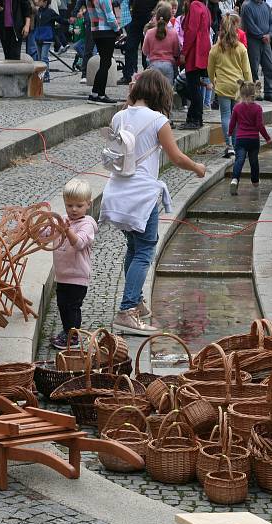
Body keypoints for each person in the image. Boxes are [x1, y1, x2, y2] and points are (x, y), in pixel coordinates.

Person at [101, 69, 206, 335]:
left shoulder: (118, 116)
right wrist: (197, 168)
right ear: (160, 93)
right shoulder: (158, 121)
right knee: (146, 250)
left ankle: (135, 301)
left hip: (118, 192)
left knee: (133, 248)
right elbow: (177, 157)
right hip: (142, 196)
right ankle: (127, 310)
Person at [49, 178, 98, 349]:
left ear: (88, 204)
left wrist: (67, 230)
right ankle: (67, 331)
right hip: (62, 274)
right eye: (69, 205)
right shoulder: (62, 220)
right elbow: (45, 235)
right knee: (62, 305)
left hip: (77, 276)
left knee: (72, 307)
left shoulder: (87, 224)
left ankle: (74, 336)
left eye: (78, 205)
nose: (74, 210)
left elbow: (79, 244)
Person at [208, 13, 251, 158]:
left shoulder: (215, 49)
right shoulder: (241, 48)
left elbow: (210, 70)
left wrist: (214, 81)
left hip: (223, 86)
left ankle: (229, 145)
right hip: (238, 86)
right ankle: (236, 143)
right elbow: (247, 70)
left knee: (226, 116)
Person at [227, 79, 270, 194]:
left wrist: (230, 133)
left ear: (241, 93)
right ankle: (255, 181)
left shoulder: (236, 107)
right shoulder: (257, 108)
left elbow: (232, 122)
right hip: (253, 140)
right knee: (253, 161)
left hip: (240, 139)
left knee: (239, 160)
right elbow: (260, 125)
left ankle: (235, 179)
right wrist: (267, 138)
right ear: (255, 93)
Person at [179, 0, 210, 129]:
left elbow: (191, 31)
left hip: (195, 51)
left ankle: (195, 119)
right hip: (201, 49)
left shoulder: (195, 6)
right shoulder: (203, 6)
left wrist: (184, 53)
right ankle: (195, 117)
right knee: (194, 86)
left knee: (193, 86)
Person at [241, 0, 272, 102]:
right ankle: (255, 92)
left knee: (269, 66)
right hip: (253, 40)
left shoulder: (266, 6)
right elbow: (250, 24)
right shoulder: (247, 6)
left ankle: (270, 92)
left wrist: (269, 34)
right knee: (254, 67)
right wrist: (262, 35)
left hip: (266, 41)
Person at [86, 0, 120, 103]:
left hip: (96, 31)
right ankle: (100, 95)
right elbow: (110, 17)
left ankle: (95, 93)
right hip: (107, 31)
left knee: (104, 63)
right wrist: (118, 29)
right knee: (106, 63)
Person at [119, 0, 157, 84]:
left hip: (149, 19)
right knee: (130, 47)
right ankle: (129, 75)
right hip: (136, 18)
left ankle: (147, 76)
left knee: (147, 50)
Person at [142, 2, 179, 83]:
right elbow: (176, 53)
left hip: (153, 65)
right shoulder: (174, 33)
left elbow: (145, 51)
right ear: (169, 18)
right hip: (168, 65)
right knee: (167, 91)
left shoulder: (150, 32)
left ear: (157, 16)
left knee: (154, 90)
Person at [34, 0, 59, 82]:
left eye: (40, 0)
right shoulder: (38, 11)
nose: (38, 1)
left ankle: (46, 76)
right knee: (39, 58)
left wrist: (68, 21)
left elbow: (59, 19)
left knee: (44, 58)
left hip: (46, 38)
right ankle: (41, 76)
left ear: (45, 2)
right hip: (38, 37)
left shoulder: (50, 12)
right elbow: (35, 23)